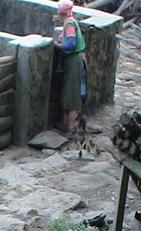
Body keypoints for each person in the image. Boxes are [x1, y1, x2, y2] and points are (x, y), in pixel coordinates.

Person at [54, 0, 87, 134]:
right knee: (69, 90)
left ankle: (71, 126)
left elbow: (71, 44)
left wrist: (57, 45)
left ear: (62, 13)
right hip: (72, 61)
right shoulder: (70, 22)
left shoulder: (69, 24)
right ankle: (66, 122)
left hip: (74, 60)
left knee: (72, 92)